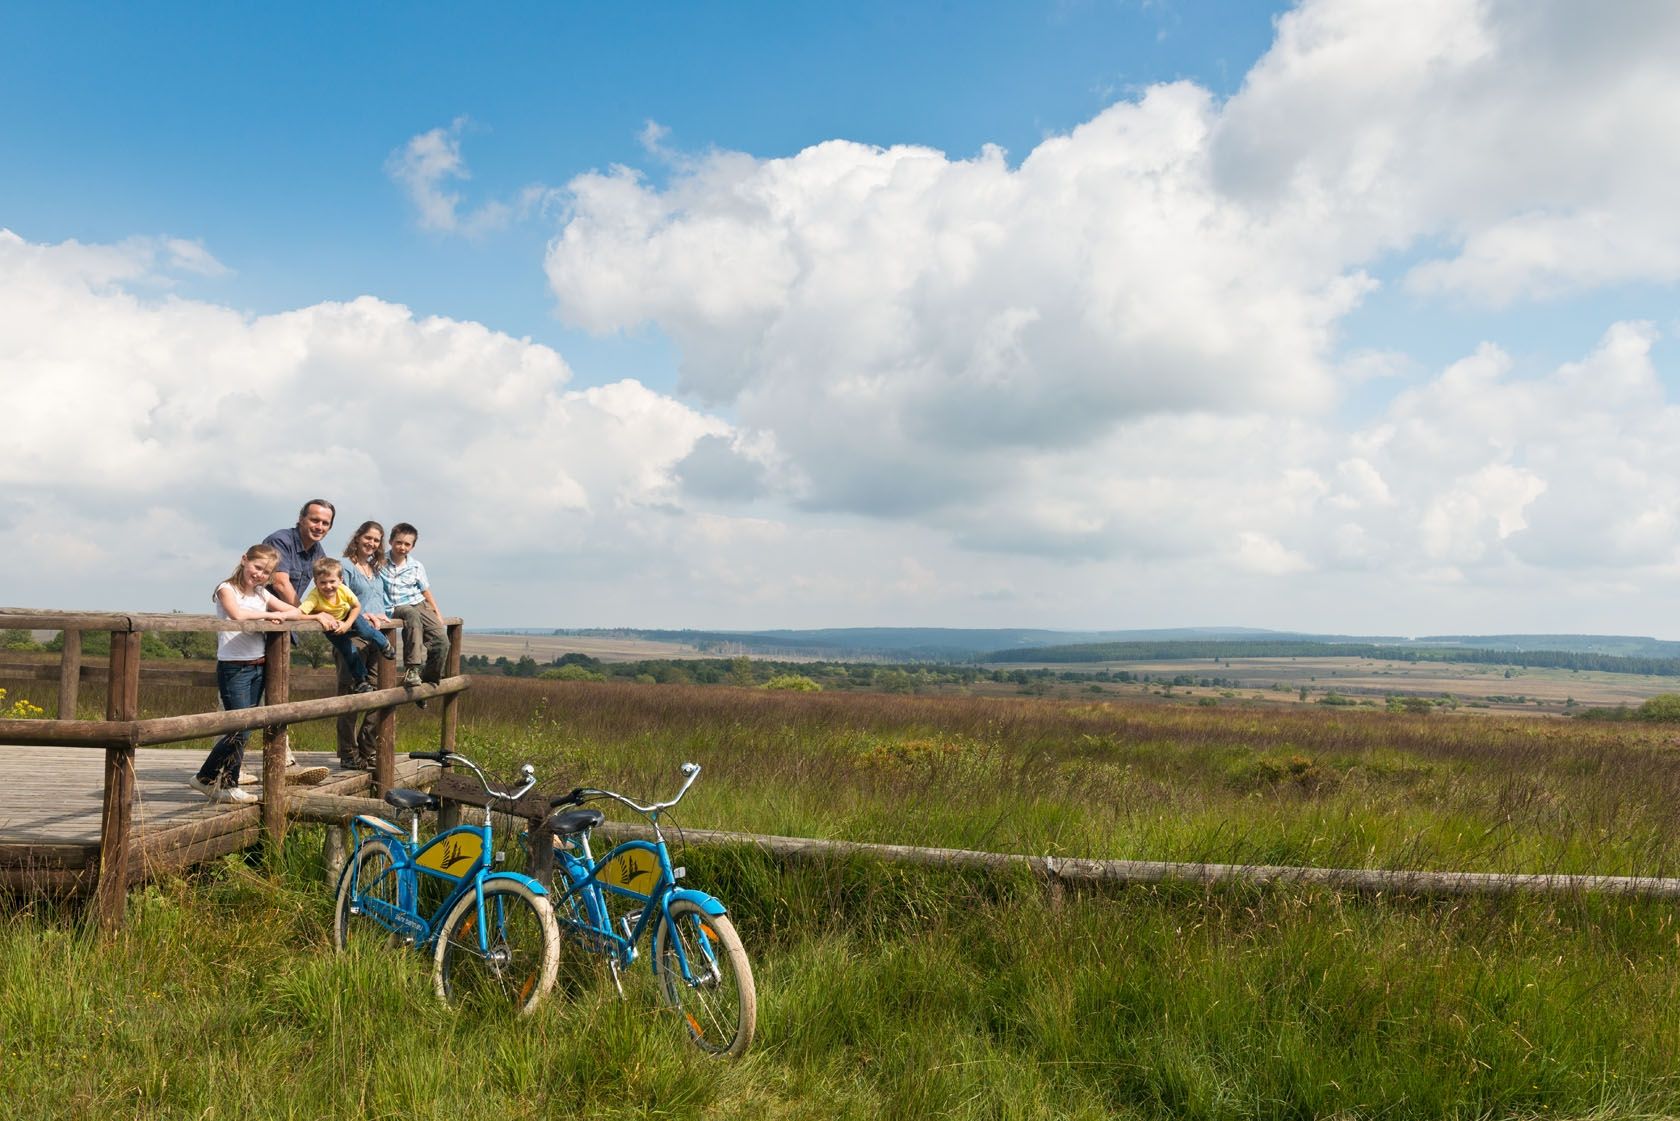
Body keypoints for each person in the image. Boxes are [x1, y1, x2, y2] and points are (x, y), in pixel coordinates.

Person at [190, 544, 305, 804]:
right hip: (234, 666)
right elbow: (237, 614)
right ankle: (206, 777)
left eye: (266, 572)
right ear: (244, 560)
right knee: (239, 728)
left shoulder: (261, 593)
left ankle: (228, 783)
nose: (259, 574)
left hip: (258, 665)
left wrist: (280, 613)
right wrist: (271, 616)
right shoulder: (225, 589)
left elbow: (296, 611)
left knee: (247, 726)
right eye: (257, 567)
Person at [334, 520, 392, 769]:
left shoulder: (377, 569)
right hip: (353, 637)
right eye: (367, 538)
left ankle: (366, 750)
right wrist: (364, 615)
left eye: (376, 540)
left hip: (378, 639)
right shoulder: (345, 566)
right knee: (350, 695)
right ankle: (348, 754)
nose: (371, 543)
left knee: (379, 696)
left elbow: (381, 599)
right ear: (357, 538)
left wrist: (383, 615)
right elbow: (339, 600)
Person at [299, 556, 396, 692]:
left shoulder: (343, 590)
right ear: (316, 582)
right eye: (323, 583)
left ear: (341, 580)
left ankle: (383, 643)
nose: (328, 586)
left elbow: (356, 606)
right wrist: (318, 616)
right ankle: (361, 680)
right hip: (332, 627)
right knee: (349, 651)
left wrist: (347, 624)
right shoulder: (314, 596)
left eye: (332, 581)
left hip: (349, 614)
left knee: (366, 631)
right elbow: (300, 613)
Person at [382, 522, 446, 688]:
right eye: (399, 542)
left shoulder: (416, 566)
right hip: (396, 606)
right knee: (411, 615)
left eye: (407, 544)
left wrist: (437, 613)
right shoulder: (379, 561)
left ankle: (428, 681)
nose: (402, 547)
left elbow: (425, 591)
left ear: (412, 546)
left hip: (419, 603)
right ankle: (412, 669)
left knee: (442, 641)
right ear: (390, 541)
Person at [264, 499, 336, 606]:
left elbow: (331, 584)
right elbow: (280, 584)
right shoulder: (280, 541)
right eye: (315, 520)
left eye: (325, 523)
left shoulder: (317, 551)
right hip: (259, 613)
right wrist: (303, 614)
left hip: (287, 614)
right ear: (301, 519)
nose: (319, 527)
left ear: (330, 527)